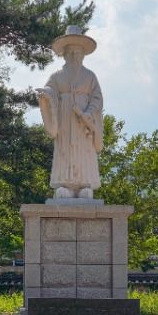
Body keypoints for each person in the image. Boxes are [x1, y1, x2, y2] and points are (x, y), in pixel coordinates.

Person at [36, 25, 103, 200]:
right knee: (65, 149)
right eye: (71, 52)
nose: (75, 56)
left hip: (84, 121)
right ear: (64, 54)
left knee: (84, 150)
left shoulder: (90, 76)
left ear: (83, 55)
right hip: (64, 119)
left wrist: (89, 112)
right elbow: (49, 90)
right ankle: (65, 185)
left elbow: (97, 98)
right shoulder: (57, 76)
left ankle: (84, 185)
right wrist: (46, 95)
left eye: (78, 53)